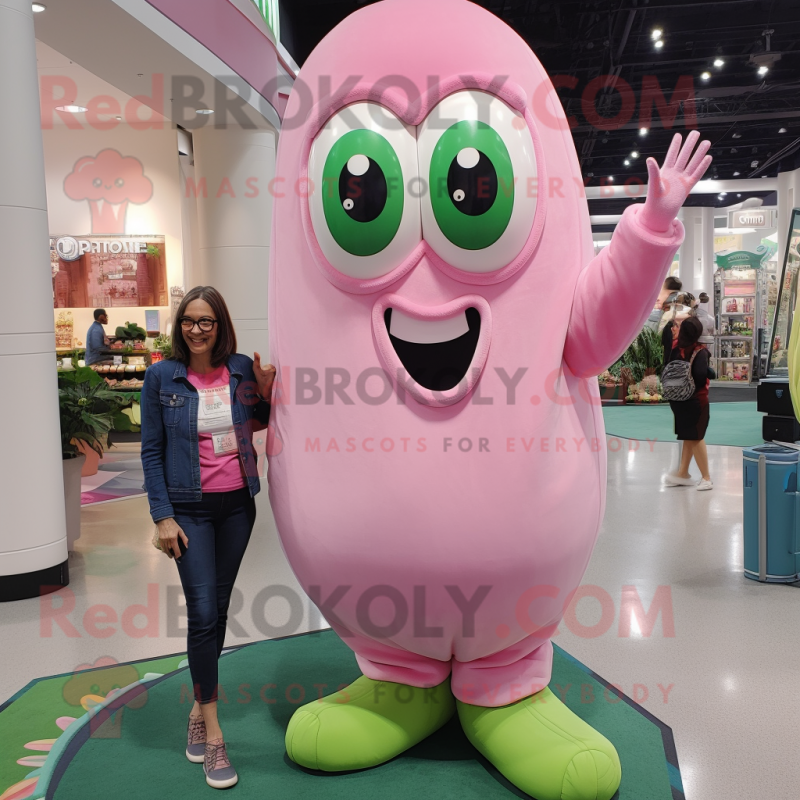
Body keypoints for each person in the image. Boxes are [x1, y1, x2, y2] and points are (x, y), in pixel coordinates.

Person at [141, 286, 276, 789]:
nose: (197, 329)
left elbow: (258, 422)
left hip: (238, 506)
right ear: (180, 326)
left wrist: (263, 389)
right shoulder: (161, 377)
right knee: (201, 613)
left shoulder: (239, 367)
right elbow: (151, 451)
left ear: (221, 326)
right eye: (190, 321)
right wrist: (162, 517)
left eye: (207, 322)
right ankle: (214, 735)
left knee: (217, 611)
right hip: (188, 510)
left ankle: (200, 705)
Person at [662, 316, 713, 490]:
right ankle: (706, 477)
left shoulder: (675, 349)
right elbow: (699, 377)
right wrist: (708, 372)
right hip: (696, 400)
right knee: (696, 437)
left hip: (677, 400)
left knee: (689, 437)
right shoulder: (700, 351)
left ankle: (683, 473)